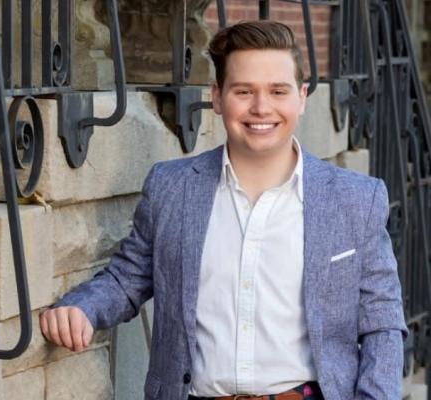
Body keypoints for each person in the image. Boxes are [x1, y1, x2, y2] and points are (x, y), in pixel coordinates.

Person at [39, 20, 408, 400]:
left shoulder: (355, 199)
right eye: (243, 90)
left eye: (278, 91)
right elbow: (128, 277)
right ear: (217, 97)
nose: (261, 107)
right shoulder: (172, 188)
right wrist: (81, 309)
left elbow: (382, 324)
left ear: (301, 97)